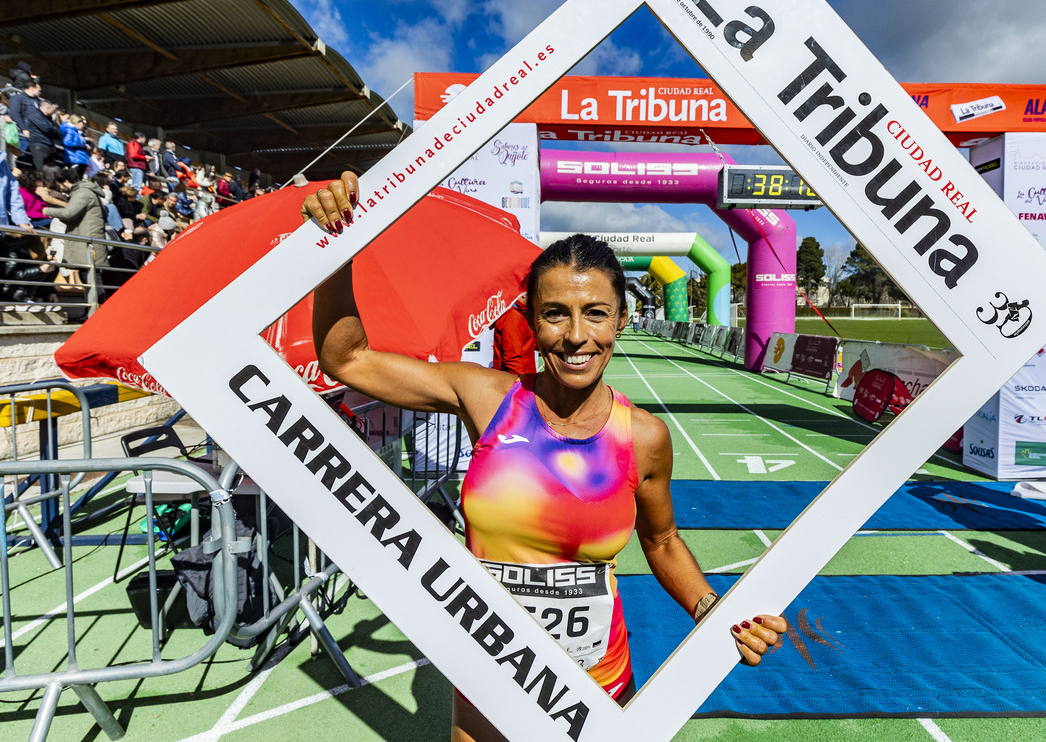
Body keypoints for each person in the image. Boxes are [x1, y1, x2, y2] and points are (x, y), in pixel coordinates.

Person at [304, 173, 787, 741]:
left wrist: (710, 611)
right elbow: (348, 360)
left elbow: (661, 541)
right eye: (556, 313)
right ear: (532, 321)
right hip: (490, 675)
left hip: (596, 683)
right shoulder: (487, 398)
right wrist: (337, 248)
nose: (576, 335)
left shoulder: (645, 437)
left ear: (622, 321)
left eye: (596, 313)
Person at [491, 297, 537, 376]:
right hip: (516, 382)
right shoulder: (512, 316)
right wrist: (524, 384)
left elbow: (531, 343)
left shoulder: (521, 313)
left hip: (524, 378)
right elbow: (512, 359)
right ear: (523, 295)